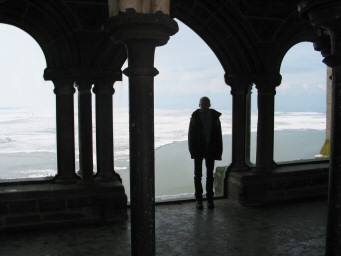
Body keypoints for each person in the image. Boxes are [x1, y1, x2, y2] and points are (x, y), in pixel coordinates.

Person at [188, 96, 223, 209]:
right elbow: (191, 136)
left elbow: (218, 136)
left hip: (210, 149)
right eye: (202, 104)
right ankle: (199, 200)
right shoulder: (195, 117)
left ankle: (209, 200)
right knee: (198, 176)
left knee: (209, 176)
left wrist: (218, 151)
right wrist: (192, 151)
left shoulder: (215, 117)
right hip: (198, 150)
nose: (204, 105)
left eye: (206, 103)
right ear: (199, 105)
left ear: (209, 105)